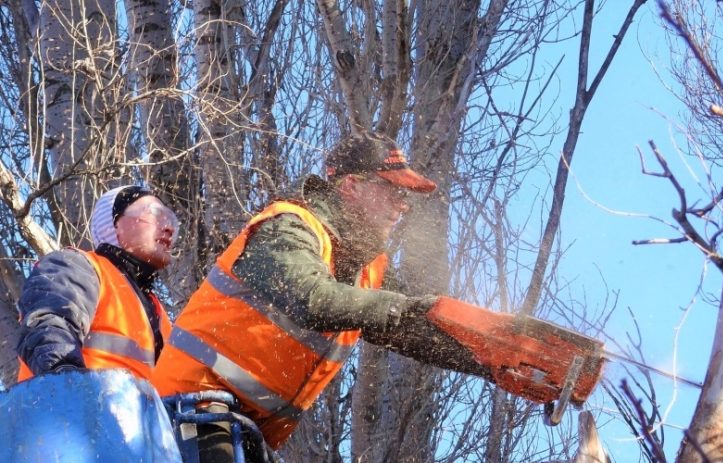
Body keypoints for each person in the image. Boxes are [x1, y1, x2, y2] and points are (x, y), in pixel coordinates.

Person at [152, 131, 489, 462]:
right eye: (392, 190)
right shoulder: (286, 227)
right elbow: (313, 298)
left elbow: (418, 328)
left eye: (405, 196)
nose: (401, 206)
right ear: (351, 186)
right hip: (191, 405)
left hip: (243, 427)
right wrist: (401, 305)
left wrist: (497, 359)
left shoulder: (366, 269)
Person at [16, 184, 179, 381]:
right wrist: (67, 382)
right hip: (72, 407)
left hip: (134, 411)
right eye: (155, 214)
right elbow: (49, 327)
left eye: (170, 220)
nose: (168, 228)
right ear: (114, 225)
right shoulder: (77, 266)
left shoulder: (158, 312)